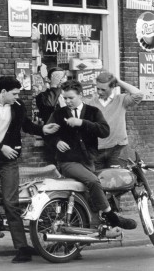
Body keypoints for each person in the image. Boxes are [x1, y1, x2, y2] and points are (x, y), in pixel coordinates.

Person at [0, 76, 59, 263]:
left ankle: (22, 248)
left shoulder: (18, 106)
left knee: (10, 203)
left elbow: (26, 125)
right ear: (3, 92)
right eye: (14, 93)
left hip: (8, 161)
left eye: (18, 93)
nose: (17, 96)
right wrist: (0, 147)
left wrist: (44, 129)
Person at [45, 80, 137, 231]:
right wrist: (56, 142)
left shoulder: (93, 112)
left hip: (88, 161)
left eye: (71, 98)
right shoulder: (58, 114)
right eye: (65, 98)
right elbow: (47, 134)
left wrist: (82, 123)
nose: (67, 101)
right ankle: (112, 217)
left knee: (86, 197)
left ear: (80, 95)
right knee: (93, 182)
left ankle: (83, 236)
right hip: (67, 162)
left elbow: (104, 131)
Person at [86, 71, 143, 170]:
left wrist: (119, 82)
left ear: (112, 87)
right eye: (98, 89)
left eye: (103, 90)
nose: (99, 92)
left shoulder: (121, 100)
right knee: (99, 181)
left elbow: (138, 94)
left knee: (117, 181)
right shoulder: (90, 103)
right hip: (96, 151)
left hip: (117, 149)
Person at [35, 67, 68, 164]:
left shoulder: (70, 95)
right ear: (50, 79)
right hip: (54, 137)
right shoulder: (42, 96)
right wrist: (54, 86)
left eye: (62, 76)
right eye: (56, 76)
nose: (60, 79)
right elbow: (50, 104)